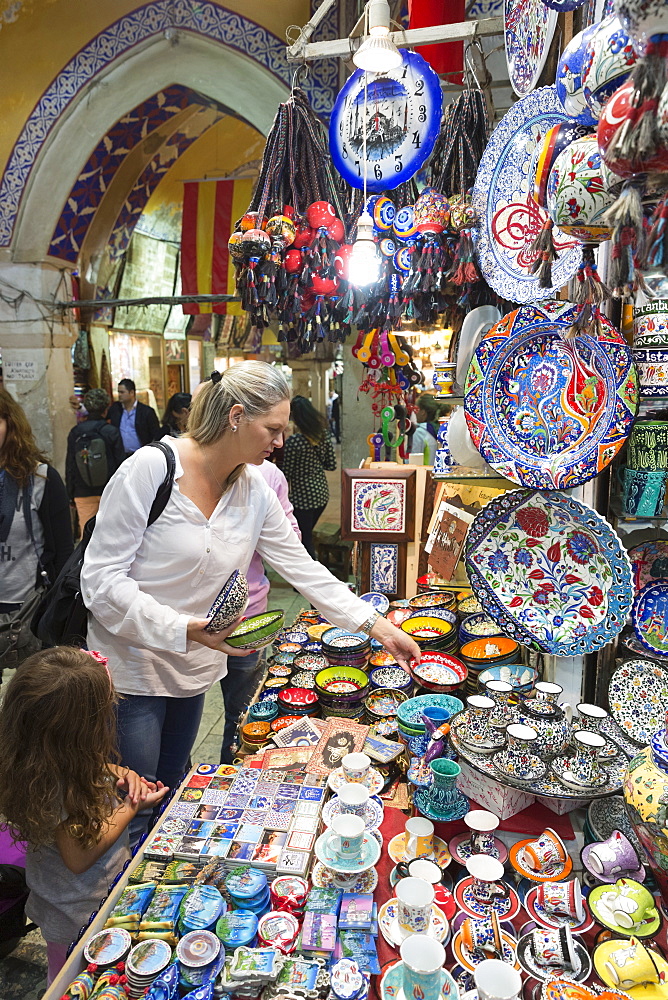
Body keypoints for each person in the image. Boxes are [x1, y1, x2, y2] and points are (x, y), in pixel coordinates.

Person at [80, 361, 419, 843]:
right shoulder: (152, 471)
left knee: (169, 789)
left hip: (194, 667)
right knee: (129, 803)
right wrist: (183, 627)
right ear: (236, 416)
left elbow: (302, 569)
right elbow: (101, 581)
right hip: (132, 669)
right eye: (273, 428)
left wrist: (378, 627)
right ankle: (109, 905)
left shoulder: (254, 489)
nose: (280, 441)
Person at [0, 647, 169, 984]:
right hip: (75, 909)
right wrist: (132, 806)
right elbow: (79, 856)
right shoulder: (57, 785)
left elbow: (91, 765)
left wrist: (116, 772)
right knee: (70, 977)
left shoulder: (39, 754)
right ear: (81, 727)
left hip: (73, 895)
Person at [220, 459, 300, 764]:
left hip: (248, 618)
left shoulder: (267, 476)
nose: (280, 442)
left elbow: (291, 543)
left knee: (241, 715)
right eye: (272, 429)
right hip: (189, 625)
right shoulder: (181, 472)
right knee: (181, 717)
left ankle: (229, 774)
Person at [0, 389, 73, 666]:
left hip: (29, 608)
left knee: (33, 696)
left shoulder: (41, 478)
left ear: (11, 424)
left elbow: (64, 551)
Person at [282, 395, 336, 558]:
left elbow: (286, 474)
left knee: (304, 541)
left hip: (302, 500)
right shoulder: (324, 436)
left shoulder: (294, 442)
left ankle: (306, 579)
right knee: (306, 535)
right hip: (321, 495)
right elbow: (331, 465)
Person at [65, 388, 125, 529]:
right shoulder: (111, 432)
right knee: (113, 533)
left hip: (83, 492)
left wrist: (70, 493)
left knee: (87, 537)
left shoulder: (75, 432)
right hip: (110, 492)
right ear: (106, 409)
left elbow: (70, 465)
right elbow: (121, 464)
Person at [107, 378, 160, 456]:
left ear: (131, 393)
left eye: (122, 392)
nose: (119, 395)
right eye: (118, 392)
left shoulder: (146, 412)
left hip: (141, 455)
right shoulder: (115, 409)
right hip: (121, 456)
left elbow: (155, 434)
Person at [410, 392, 440, 465]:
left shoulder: (419, 433)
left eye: (416, 409)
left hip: (423, 473)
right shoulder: (438, 429)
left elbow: (414, 462)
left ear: (423, 412)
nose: (415, 413)